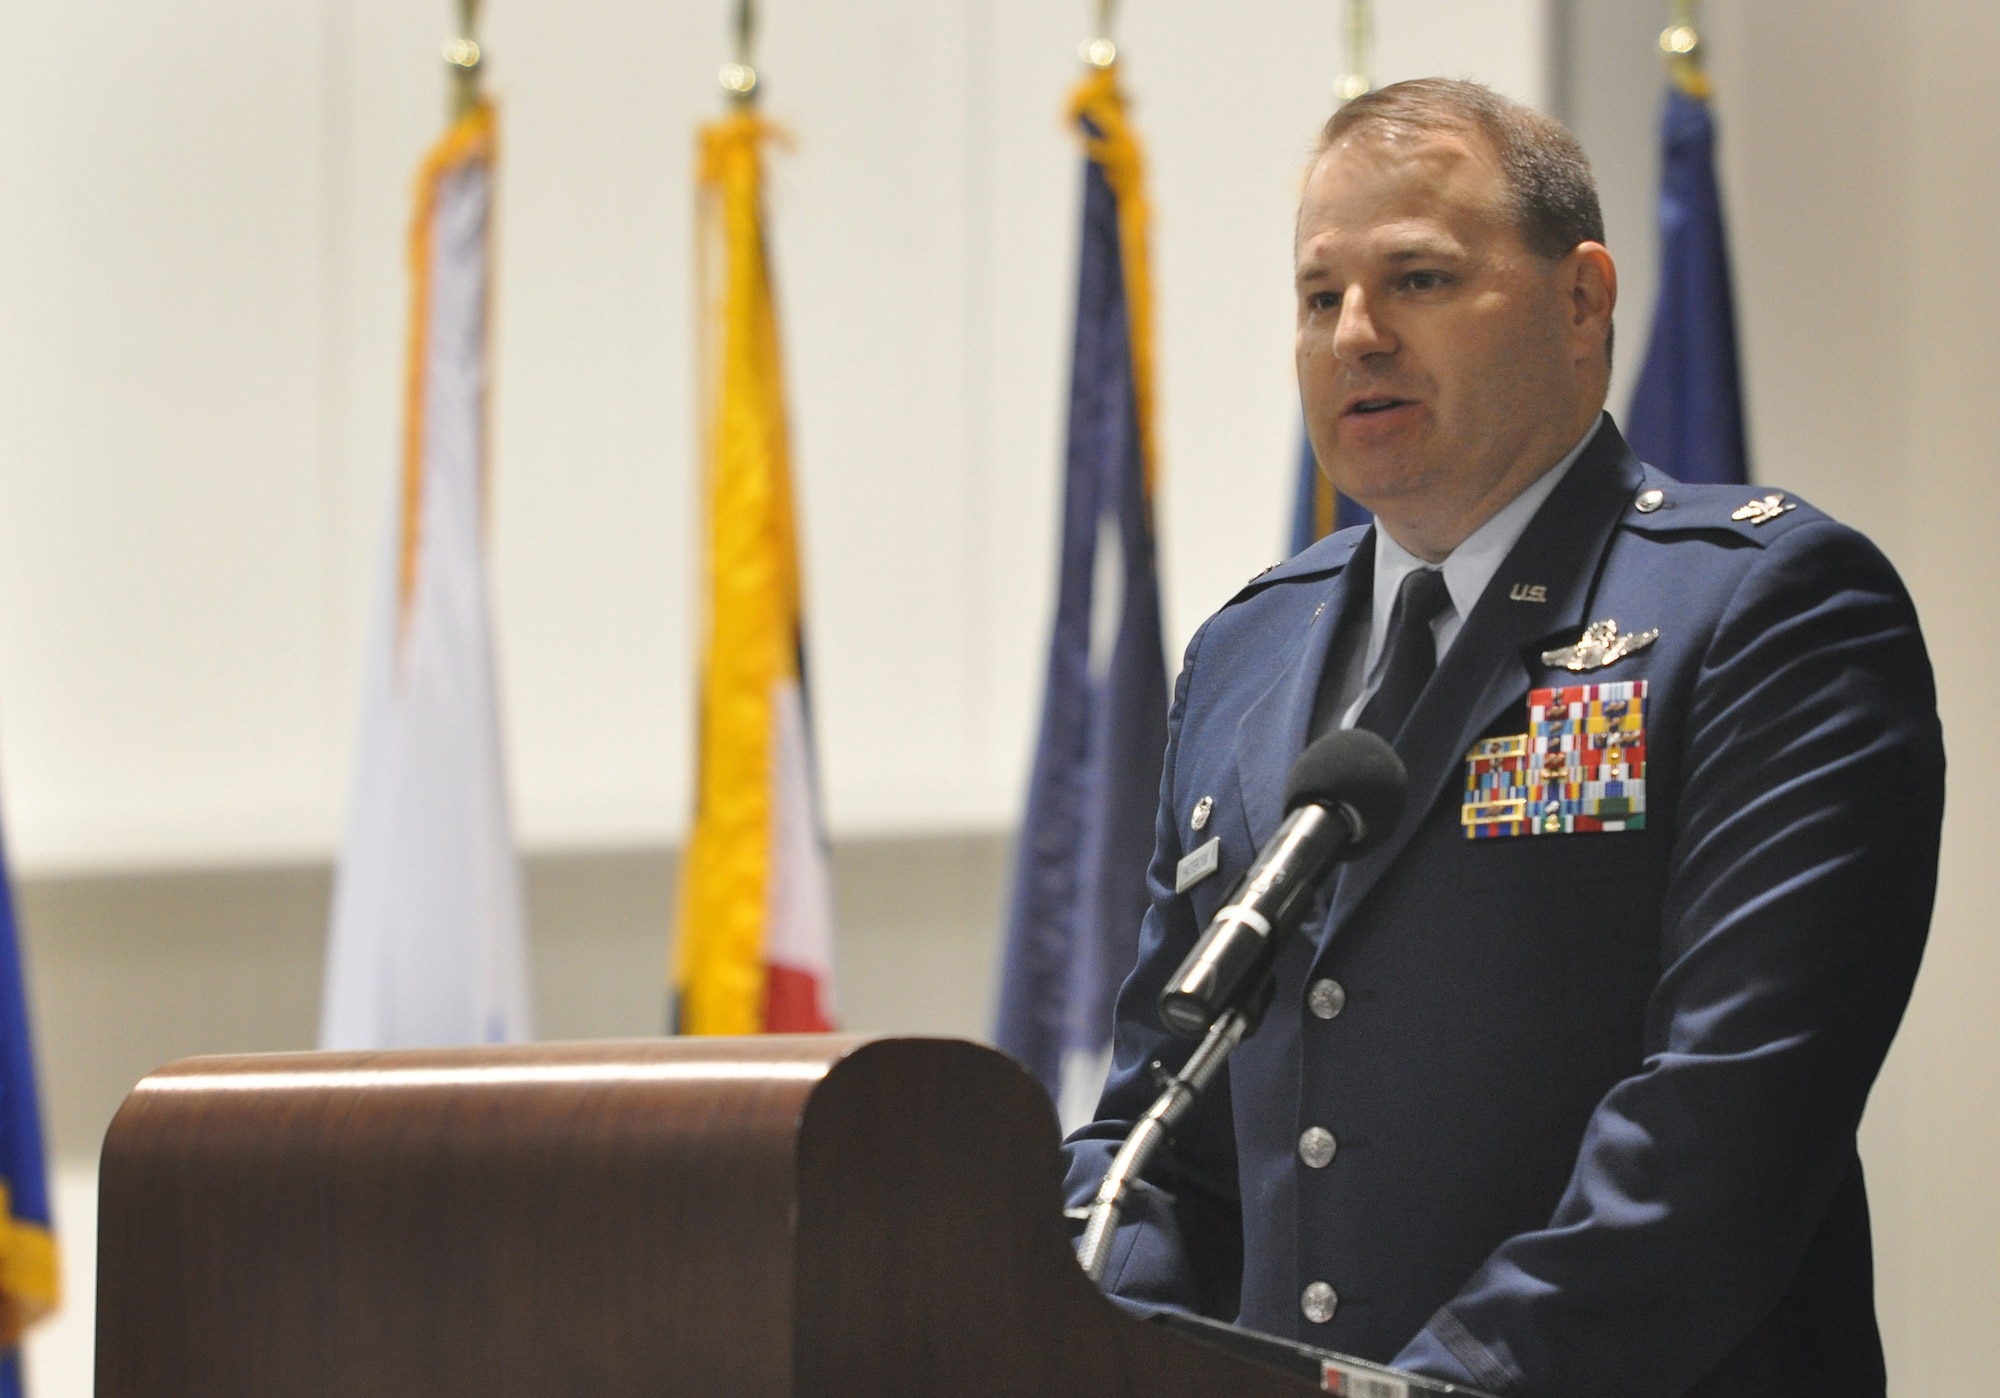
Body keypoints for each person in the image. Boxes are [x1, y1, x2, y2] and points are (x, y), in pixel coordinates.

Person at [1061, 78, 1943, 1398]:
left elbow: (1722, 1136)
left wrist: (1440, 1386)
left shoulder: (1760, 609)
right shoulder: (1243, 658)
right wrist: (1096, 1348)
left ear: (1582, 299)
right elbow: (1156, 1129)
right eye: (1319, 297)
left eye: (1417, 279)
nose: (1356, 334)